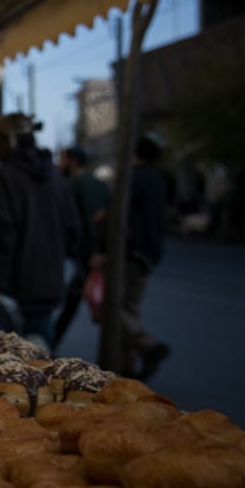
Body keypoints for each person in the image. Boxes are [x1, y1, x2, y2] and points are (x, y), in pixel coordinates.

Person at [0, 113, 81, 347]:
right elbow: (74, 233)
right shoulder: (55, 177)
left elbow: (0, 237)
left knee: (1, 368)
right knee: (39, 368)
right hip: (48, 287)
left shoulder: (2, 178)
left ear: (9, 140)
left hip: (10, 290)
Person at [110, 132, 171, 380]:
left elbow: (119, 214)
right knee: (131, 306)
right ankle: (126, 365)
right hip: (150, 252)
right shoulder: (159, 178)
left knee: (114, 307)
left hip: (131, 251)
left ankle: (147, 344)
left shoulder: (133, 177)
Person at [52, 145, 110, 346]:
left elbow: (87, 219)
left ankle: (145, 344)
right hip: (96, 252)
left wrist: (93, 251)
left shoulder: (74, 184)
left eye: (62, 159)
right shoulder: (100, 185)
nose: (59, 164)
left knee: (76, 300)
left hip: (87, 253)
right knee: (77, 300)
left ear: (73, 161)